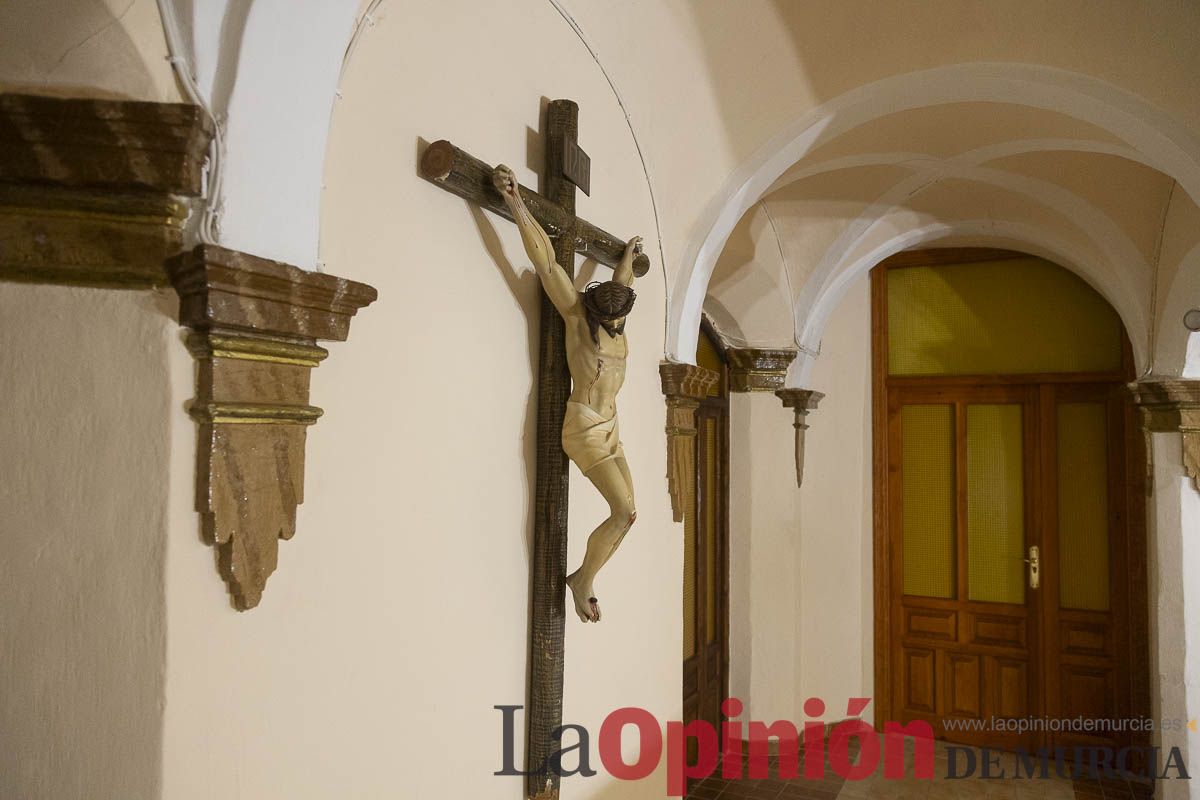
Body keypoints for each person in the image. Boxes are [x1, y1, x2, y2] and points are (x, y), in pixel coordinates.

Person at [493, 164, 641, 623]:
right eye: (612, 319)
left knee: (629, 515)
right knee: (622, 511)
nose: (617, 325)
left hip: (611, 428)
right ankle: (583, 581)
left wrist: (628, 258)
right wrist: (515, 201)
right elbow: (547, 262)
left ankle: (584, 577)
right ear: (595, 310)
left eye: (621, 319)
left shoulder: (614, 316)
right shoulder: (578, 317)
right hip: (584, 429)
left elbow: (622, 286)